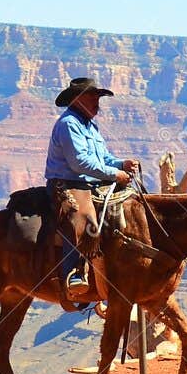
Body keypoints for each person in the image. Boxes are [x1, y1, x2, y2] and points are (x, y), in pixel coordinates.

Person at [44, 77, 140, 301]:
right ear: (78, 99)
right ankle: (74, 274)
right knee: (86, 222)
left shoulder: (89, 124)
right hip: (67, 184)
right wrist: (115, 174)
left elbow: (102, 157)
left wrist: (120, 164)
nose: (97, 101)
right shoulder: (69, 124)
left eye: (98, 96)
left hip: (90, 183)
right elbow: (80, 163)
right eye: (92, 96)